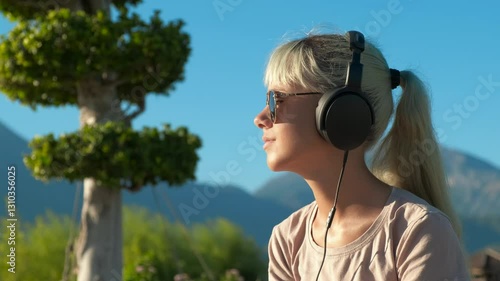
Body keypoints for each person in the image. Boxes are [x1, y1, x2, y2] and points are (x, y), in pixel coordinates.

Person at [253, 30, 471, 281]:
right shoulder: (287, 239)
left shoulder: (417, 230)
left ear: (342, 110)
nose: (259, 119)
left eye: (276, 98)